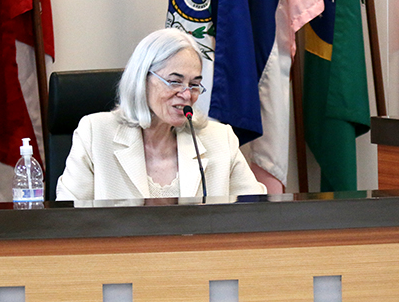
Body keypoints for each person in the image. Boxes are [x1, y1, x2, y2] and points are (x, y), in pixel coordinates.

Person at [56, 28, 267, 200]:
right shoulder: (95, 133)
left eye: (194, 84)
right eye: (174, 81)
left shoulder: (220, 138)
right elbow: (67, 219)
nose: (186, 94)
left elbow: (255, 213)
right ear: (142, 80)